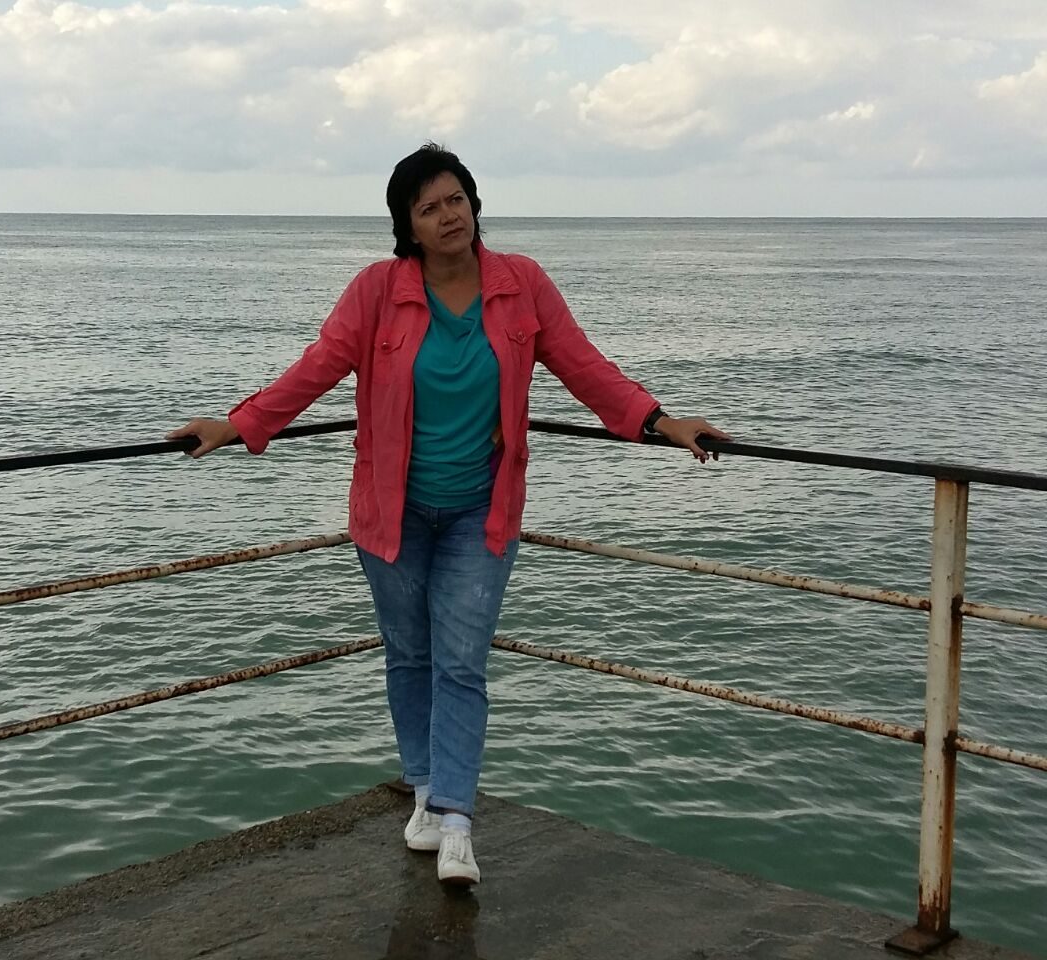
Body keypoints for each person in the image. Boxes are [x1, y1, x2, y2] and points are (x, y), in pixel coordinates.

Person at [166, 143, 731, 887]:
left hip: (480, 512)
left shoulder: (522, 284)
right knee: (409, 656)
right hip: (391, 513)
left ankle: (458, 823)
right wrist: (238, 424)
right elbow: (317, 367)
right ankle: (427, 792)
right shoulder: (377, 291)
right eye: (428, 207)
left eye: (455, 199)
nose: (447, 216)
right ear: (408, 225)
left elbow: (584, 366)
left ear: (474, 203)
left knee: (461, 661)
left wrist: (660, 421)